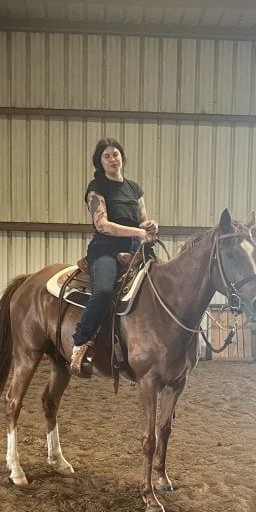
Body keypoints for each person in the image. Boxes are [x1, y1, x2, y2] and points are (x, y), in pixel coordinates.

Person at [70, 138, 158, 377]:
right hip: (106, 248)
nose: (112, 159)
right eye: (106, 156)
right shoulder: (97, 188)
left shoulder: (134, 189)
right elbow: (103, 225)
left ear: (122, 157)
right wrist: (139, 232)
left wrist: (149, 227)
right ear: (100, 162)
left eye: (115, 154)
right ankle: (80, 342)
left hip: (134, 249)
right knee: (104, 291)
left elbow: (143, 220)